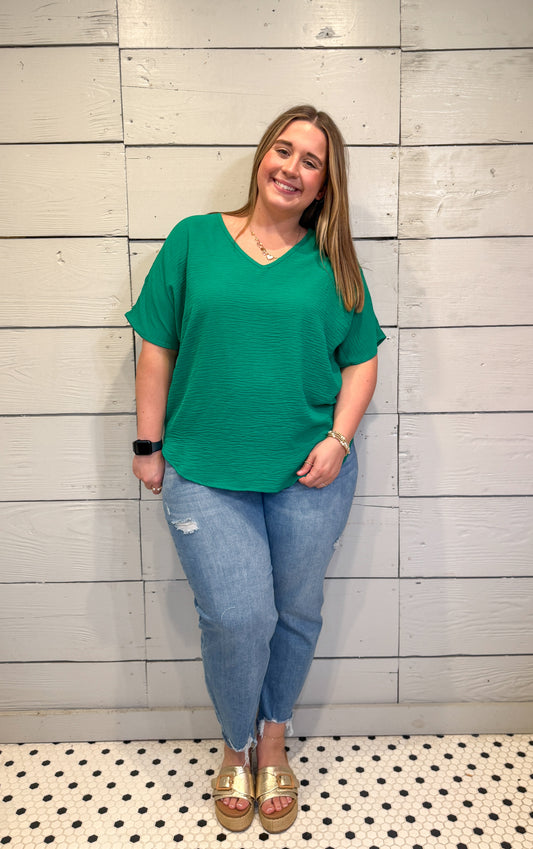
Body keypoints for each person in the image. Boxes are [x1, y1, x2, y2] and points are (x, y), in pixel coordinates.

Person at [126, 104, 386, 834]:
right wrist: (148, 447)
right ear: (262, 156)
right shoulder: (194, 240)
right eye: (284, 150)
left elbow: (361, 357)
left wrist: (337, 437)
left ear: (322, 186)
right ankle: (233, 745)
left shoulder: (332, 262)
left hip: (311, 472)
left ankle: (274, 737)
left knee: (296, 612)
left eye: (311, 162)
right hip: (204, 468)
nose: (292, 168)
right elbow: (155, 346)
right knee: (238, 617)